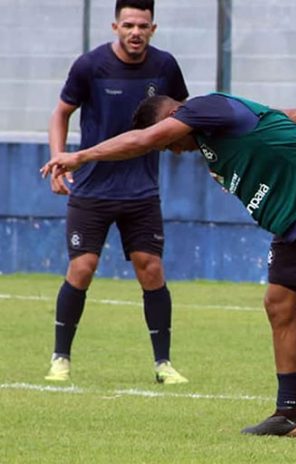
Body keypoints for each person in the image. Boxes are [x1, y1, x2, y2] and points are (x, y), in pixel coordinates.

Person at [41, 92, 296, 441]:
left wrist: (81, 156)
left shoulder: (205, 108)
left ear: (173, 118)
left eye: (166, 143)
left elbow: (144, 139)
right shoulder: (215, 129)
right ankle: (291, 412)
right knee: (279, 304)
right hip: (293, 220)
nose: (172, 151)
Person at [44, 0, 190, 384]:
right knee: (82, 267)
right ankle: (60, 358)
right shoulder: (90, 66)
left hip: (142, 190)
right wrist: (59, 158)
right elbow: (60, 112)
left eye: (143, 25)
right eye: (128, 24)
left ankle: (164, 364)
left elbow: (185, 116)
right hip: (92, 189)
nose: (135, 32)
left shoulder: (166, 67)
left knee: (152, 268)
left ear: (153, 29)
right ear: (115, 26)